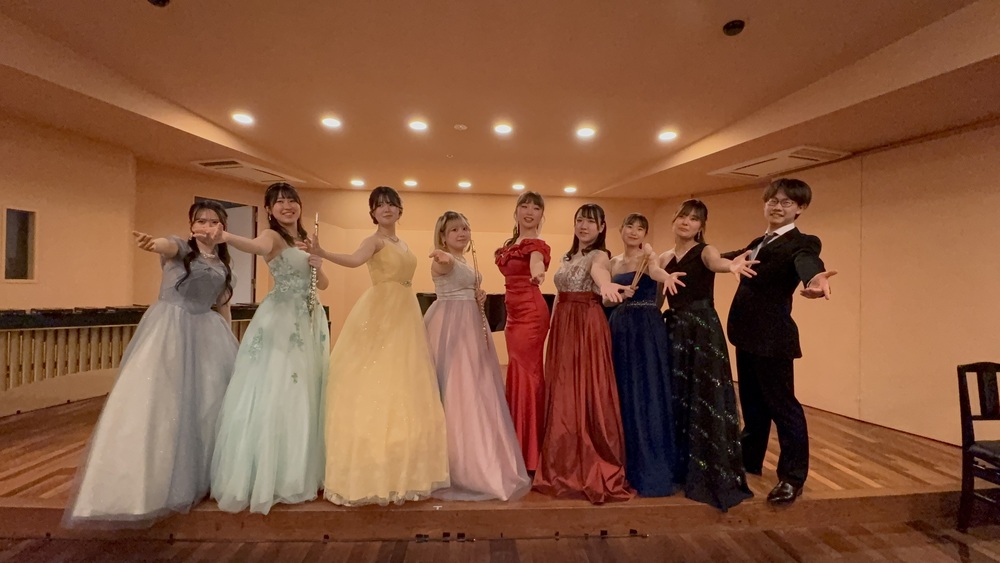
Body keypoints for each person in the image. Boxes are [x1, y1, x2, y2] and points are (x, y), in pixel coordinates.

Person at [64, 200, 238, 528]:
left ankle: (202, 478)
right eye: (200, 221)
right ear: (192, 226)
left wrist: (230, 340)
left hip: (209, 334)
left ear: (222, 228)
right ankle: (143, 490)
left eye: (213, 221)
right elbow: (164, 244)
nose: (206, 226)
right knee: (160, 403)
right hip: (170, 329)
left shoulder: (224, 266)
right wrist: (151, 243)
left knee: (208, 405)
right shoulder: (180, 248)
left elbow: (223, 305)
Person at [310, 186, 449, 506]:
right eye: (380, 205)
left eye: (391, 204)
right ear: (372, 212)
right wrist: (324, 253)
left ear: (400, 210)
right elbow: (354, 260)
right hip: (382, 310)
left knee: (406, 379)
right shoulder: (373, 241)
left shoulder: (402, 243)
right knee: (377, 375)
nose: (387, 209)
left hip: (405, 311)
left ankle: (404, 463)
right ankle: (372, 463)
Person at [209, 182, 330, 515]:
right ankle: (272, 474)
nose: (287, 206)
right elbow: (256, 246)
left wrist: (318, 262)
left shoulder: (304, 238)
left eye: (292, 201)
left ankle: (301, 469)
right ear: (269, 209)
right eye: (279, 202)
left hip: (309, 318)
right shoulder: (272, 236)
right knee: (279, 388)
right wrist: (226, 236)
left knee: (306, 390)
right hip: (282, 319)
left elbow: (322, 283)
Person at [724, 178, 836, 505]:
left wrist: (815, 279)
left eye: (786, 202)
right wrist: (699, 256)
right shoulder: (759, 242)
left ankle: (792, 477)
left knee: (783, 408)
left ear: (800, 209)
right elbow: (727, 258)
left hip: (773, 339)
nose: (777, 206)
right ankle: (749, 460)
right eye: (772, 200)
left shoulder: (802, 242)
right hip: (745, 335)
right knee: (753, 404)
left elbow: (807, 262)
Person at [425, 211, 531, 501]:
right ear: (443, 236)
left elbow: (461, 278)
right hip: (451, 326)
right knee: (457, 387)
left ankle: (476, 457)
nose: (461, 234)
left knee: (476, 388)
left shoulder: (463, 259)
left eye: (465, 228)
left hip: (470, 322)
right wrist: (442, 258)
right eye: (454, 230)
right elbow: (443, 265)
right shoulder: (444, 259)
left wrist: (478, 293)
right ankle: (455, 464)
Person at [659, 199, 756, 511]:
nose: (686, 222)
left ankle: (707, 470)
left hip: (702, 330)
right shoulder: (663, 257)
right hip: (674, 329)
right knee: (676, 396)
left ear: (701, 226)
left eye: (694, 219)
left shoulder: (705, 250)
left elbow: (717, 263)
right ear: (674, 219)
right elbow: (656, 294)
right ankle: (678, 468)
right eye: (682, 216)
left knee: (704, 396)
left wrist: (732, 266)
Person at [532, 204, 633, 503]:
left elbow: (600, 273)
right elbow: (559, 291)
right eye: (580, 220)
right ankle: (562, 458)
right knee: (564, 388)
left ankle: (588, 457)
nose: (584, 226)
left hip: (587, 324)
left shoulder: (599, 255)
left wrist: (607, 286)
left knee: (587, 388)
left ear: (601, 227)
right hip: (563, 324)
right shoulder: (566, 256)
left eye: (591, 222)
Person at [605, 213, 683, 497]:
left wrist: (667, 276)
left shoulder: (650, 258)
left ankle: (650, 463)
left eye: (640, 228)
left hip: (647, 327)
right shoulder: (613, 263)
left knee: (648, 388)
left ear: (645, 234)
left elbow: (656, 274)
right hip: (620, 325)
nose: (634, 232)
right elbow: (605, 300)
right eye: (630, 226)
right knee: (623, 389)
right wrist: (616, 294)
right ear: (621, 230)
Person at [494, 191, 550, 472]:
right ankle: (516, 441)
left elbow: (536, 262)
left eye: (535, 208)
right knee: (517, 372)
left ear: (541, 215)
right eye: (524, 206)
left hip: (531, 314)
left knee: (528, 374)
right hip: (513, 317)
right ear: (515, 211)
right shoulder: (510, 245)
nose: (529, 211)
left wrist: (538, 273)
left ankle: (530, 452)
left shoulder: (536, 245)